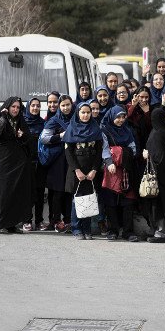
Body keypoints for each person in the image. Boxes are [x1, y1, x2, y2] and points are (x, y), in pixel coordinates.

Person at [0, 97, 32, 234]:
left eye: (18, 107)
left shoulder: (19, 121)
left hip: (15, 163)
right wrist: (3, 116)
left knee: (15, 193)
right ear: (7, 106)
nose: (15, 109)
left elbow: (27, 138)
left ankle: (12, 224)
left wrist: (22, 135)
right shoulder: (0, 117)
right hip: (0, 162)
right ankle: (0, 224)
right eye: (13, 107)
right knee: (3, 193)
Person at [64, 102, 105, 240]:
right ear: (78, 113)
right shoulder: (71, 128)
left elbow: (99, 152)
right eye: (83, 112)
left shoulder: (95, 128)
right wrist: (77, 170)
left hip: (91, 172)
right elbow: (68, 152)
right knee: (77, 200)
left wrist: (94, 170)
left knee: (89, 199)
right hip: (76, 172)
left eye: (88, 112)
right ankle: (76, 229)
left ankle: (87, 229)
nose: (86, 115)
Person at [100, 106, 139, 242]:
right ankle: (113, 230)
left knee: (128, 200)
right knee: (111, 201)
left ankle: (128, 232)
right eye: (118, 117)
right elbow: (105, 149)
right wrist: (110, 161)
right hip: (110, 169)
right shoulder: (105, 130)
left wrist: (118, 151)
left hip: (126, 169)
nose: (121, 120)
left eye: (123, 117)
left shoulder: (127, 131)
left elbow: (133, 149)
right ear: (111, 117)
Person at [40, 95, 75, 231]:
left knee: (68, 191)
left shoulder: (76, 117)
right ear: (59, 107)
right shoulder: (54, 120)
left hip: (71, 160)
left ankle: (68, 221)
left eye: (68, 105)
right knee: (57, 192)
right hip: (58, 161)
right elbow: (44, 138)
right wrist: (61, 135)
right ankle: (55, 220)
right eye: (63, 105)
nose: (66, 108)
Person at [144, 107, 165, 242]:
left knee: (159, 202)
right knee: (159, 202)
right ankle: (157, 229)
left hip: (159, 174)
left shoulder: (158, 133)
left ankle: (161, 232)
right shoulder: (163, 130)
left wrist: (148, 155)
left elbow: (159, 156)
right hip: (164, 174)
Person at [23, 97, 48, 231]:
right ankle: (26, 220)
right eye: (32, 105)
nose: (35, 108)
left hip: (40, 162)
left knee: (39, 192)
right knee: (27, 192)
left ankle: (39, 220)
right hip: (26, 163)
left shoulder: (43, 123)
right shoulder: (22, 122)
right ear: (28, 107)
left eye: (38, 106)